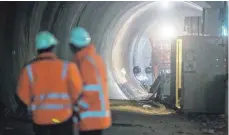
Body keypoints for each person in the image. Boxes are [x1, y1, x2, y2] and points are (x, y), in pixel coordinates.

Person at [17, 31, 83, 135]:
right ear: (53, 47)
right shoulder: (68, 67)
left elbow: (23, 96)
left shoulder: (28, 70)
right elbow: (77, 91)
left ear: (37, 48)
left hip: (40, 119)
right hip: (62, 118)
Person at [69, 27, 111, 135]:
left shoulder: (86, 62)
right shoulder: (95, 59)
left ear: (73, 45)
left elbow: (92, 89)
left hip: (90, 115)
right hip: (97, 115)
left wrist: (78, 106)